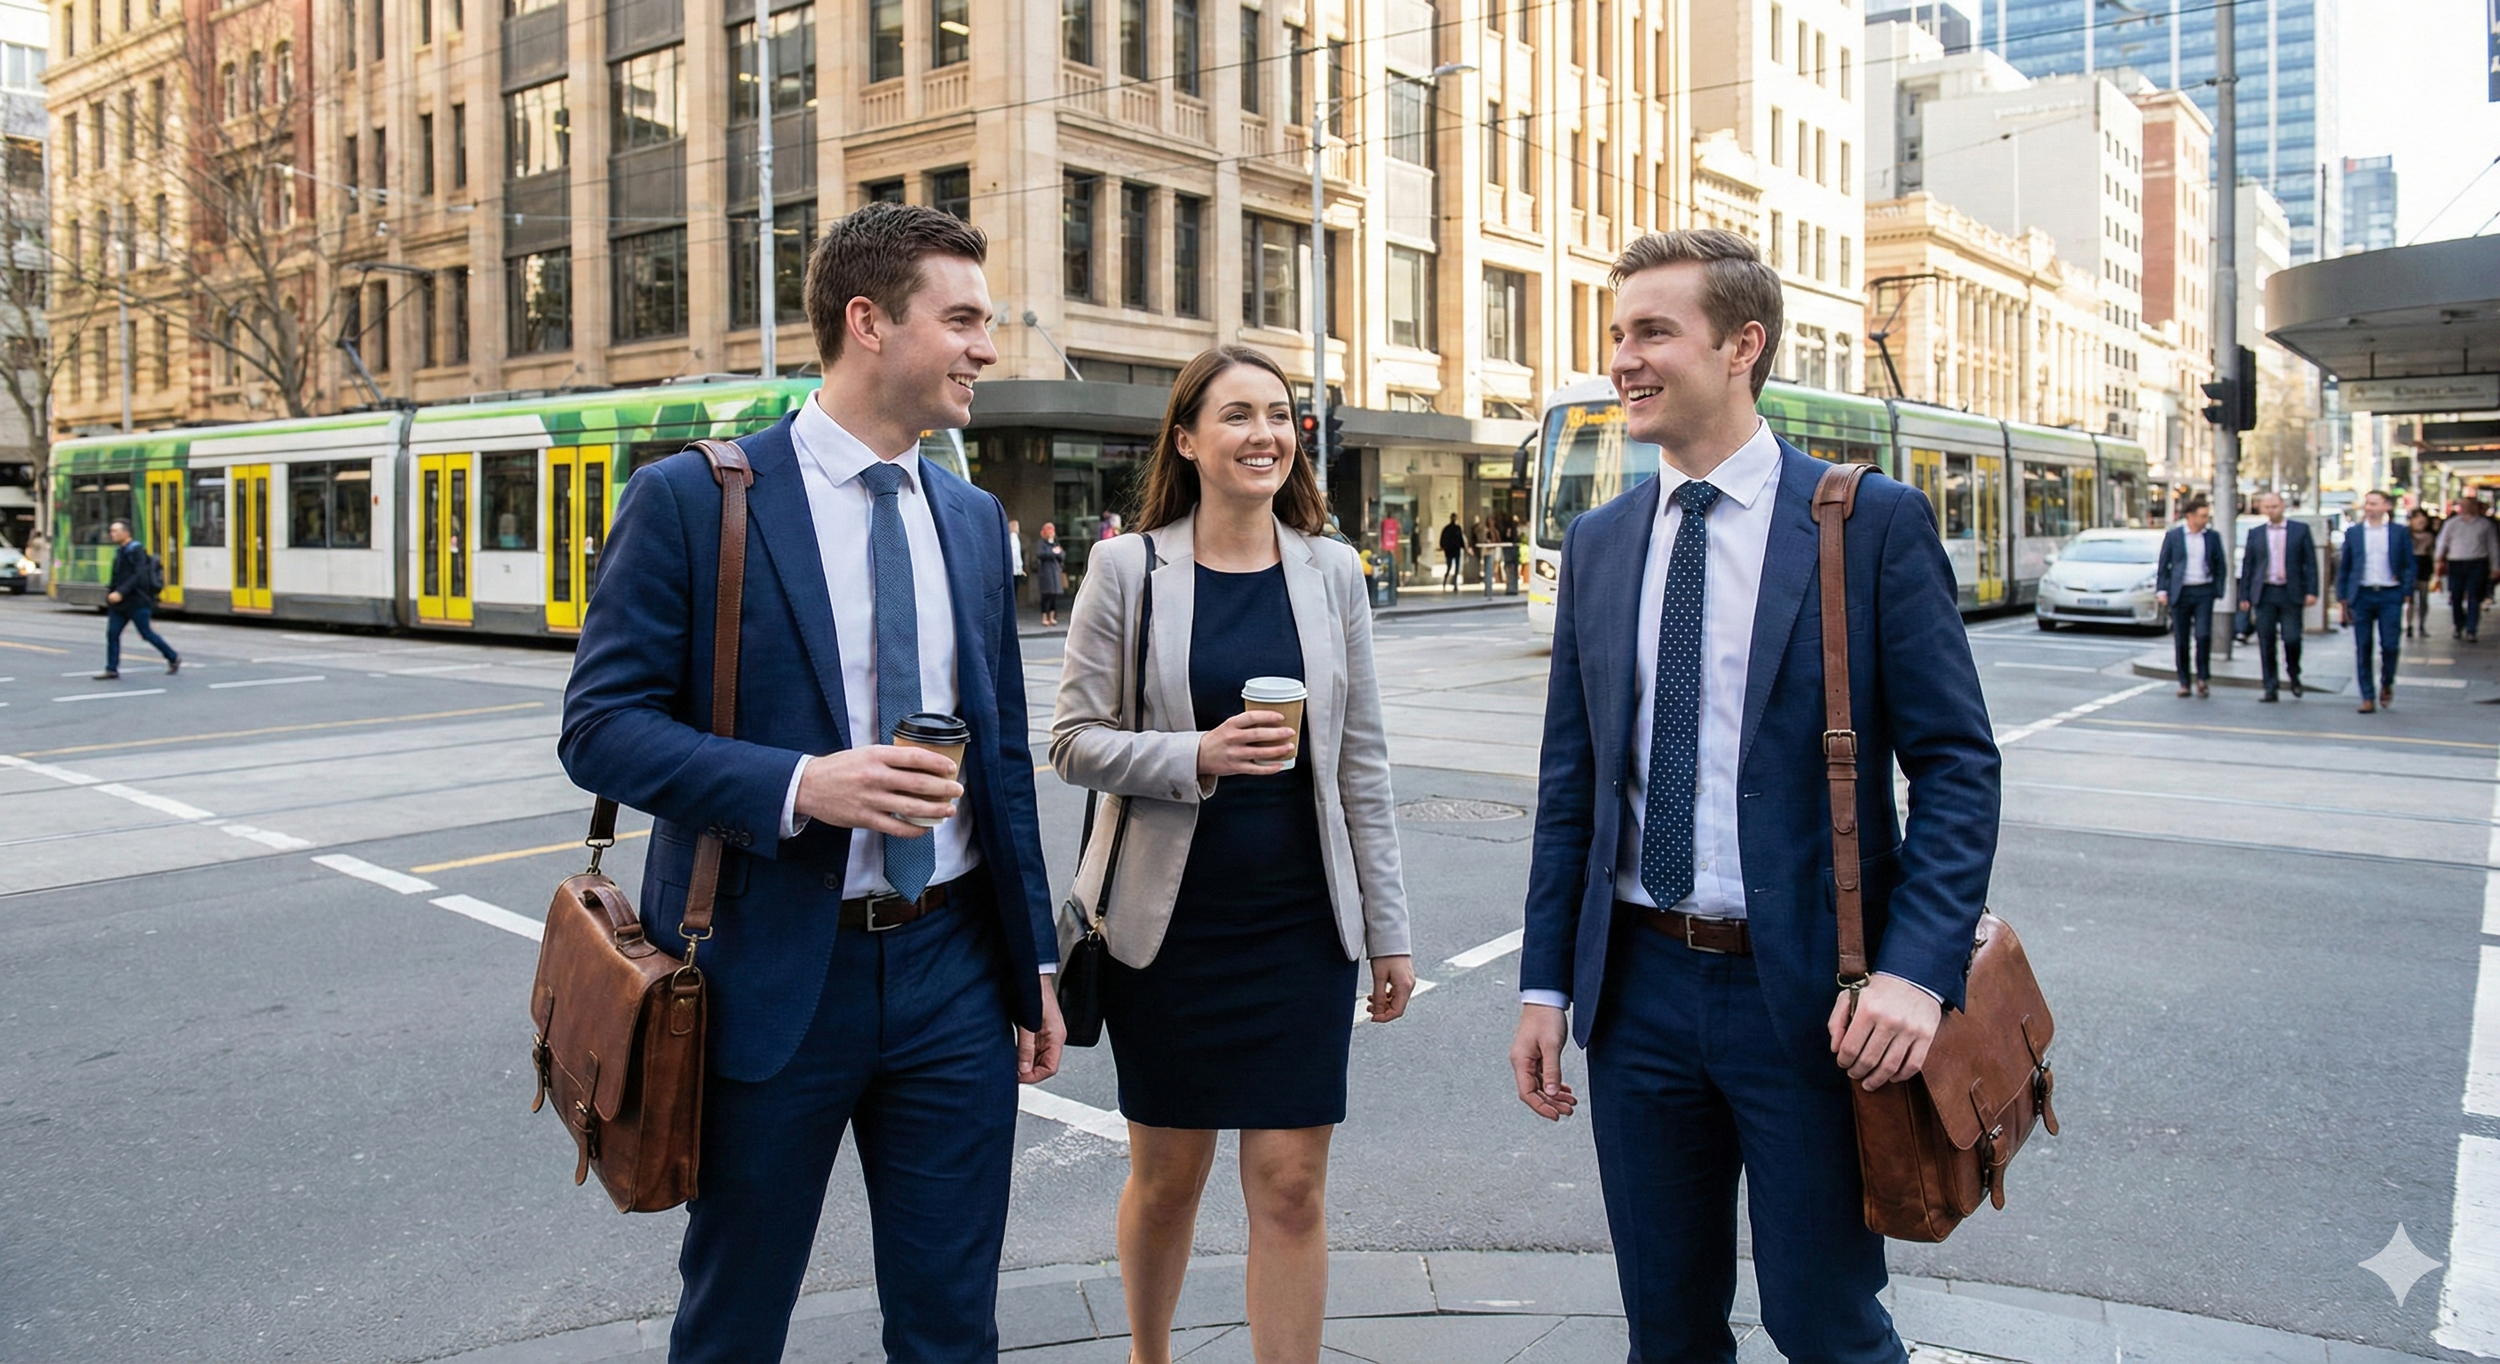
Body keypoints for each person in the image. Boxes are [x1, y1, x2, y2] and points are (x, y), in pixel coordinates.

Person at [557, 203, 1065, 1363]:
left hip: (951, 973)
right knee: (734, 1320)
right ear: (868, 322)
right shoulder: (695, 499)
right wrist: (801, 784)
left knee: (951, 1321)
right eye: (965, 320)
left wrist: (1032, 959)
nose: (987, 347)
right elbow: (600, 729)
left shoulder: (974, 520)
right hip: (766, 978)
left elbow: (1000, 767)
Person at [1508, 230, 1998, 1362]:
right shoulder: (1599, 542)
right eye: (1616, 333)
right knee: (1666, 1327)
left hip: (1816, 1005)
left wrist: (1917, 972)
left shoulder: (1864, 523)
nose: (1622, 358)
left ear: (1741, 345)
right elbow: (1571, 786)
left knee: (1823, 1322)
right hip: (1636, 993)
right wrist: (1546, 983)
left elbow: (1958, 763)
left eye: (1650, 332)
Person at [1052, 345, 1413, 1364]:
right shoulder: (1130, 568)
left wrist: (1387, 931)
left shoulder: (1332, 569)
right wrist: (1196, 753)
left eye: (1281, 413)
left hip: (1302, 924)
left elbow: (1363, 766)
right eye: (1238, 414)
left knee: (1293, 1183)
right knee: (1169, 1175)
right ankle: (1149, 1355)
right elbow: (1071, 740)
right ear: (1187, 438)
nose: (1265, 432)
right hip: (1169, 931)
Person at [2336, 489, 2414, 714]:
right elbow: (2346, 567)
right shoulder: (2354, 533)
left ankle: (2387, 682)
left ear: (2386, 506)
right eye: (2367, 503)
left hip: (2390, 594)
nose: (2369, 508)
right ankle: (2367, 696)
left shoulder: (2399, 532)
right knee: (2363, 646)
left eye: (2374, 503)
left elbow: (2409, 563)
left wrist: (2405, 589)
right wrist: (2343, 597)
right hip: (2362, 594)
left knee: (2390, 645)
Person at [2237, 491, 2317, 702]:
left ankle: (2293, 672)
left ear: (2283, 506)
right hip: (2265, 592)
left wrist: (2312, 590)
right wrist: (2244, 595)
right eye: (2267, 507)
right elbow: (2248, 566)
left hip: (2291, 592)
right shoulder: (2256, 533)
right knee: (2266, 641)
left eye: (2275, 506)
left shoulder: (2299, 531)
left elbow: (2310, 563)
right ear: (2262, 509)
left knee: (2291, 638)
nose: (2271, 511)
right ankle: (2270, 686)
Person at [2155, 496, 2225, 698]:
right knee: (2181, 640)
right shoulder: (2175, 536)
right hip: (2181, 592)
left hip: (2204, 591)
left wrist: (2217, 589)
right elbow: (2164, 565)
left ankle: (2203, 678)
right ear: (2190, 516)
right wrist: (2162, 590)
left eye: (2207, 516)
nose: (2206, 520)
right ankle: (2184, 681)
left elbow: (2220, 565)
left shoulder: (2212, 537)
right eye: (2202, 516)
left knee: (2203, 635)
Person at [94, 519, 179, 681]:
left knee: (146, 633)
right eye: (111, 531)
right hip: (120, 604)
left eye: (115, 531)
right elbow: (117, 576)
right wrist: (111, 594)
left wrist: (120, 592)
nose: (111, 534)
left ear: (126, 533)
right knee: (112, 634)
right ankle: (111, 668)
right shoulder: (122, 551)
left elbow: (138, 576)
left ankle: (173, 657)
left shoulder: (136, 551)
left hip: (137, 601)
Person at [2435, 497, 2496, 642]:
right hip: (2456, 562)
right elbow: (2443, 541)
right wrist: (2438, 559)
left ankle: (2471, 628)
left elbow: (2492, 546)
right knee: (2455, 595)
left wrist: (2495, 566)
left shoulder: (2485, 525)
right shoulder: (2452, 523)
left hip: (2477, 562)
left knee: (2474, 596)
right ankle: (2458, 623)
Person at [2407, 509, 2440, 639]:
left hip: (2424, 565)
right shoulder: (2406, 534)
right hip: (2410, 565)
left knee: (2423, 597)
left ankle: (2421, 625)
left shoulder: (2429, 536)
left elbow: (2432, 552)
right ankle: (2409, 624)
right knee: (2410, 599)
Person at [1034, 521, 1068, 628]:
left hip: (1055, 572)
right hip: (1046, 572)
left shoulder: (1056, 543)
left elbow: (1062, 556)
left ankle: (1052, 617)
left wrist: (1058, 552)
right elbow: (1040, 554)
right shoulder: (1041, 543)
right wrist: (1053, 552)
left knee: (1054, 596)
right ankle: (1044, 616)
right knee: (1046, 595)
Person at [1438, 513, 1465, 588]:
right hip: (1453, 549)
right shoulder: (1456, 529)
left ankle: (1450, 581)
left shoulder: (1448, 529)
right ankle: (1452, 581)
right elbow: (1460, 539)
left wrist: (1443, 546)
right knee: (1452, 566)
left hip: (1451, 549)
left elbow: (1460, 538)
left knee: (1451, 566)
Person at [1007, 516, 1027, 607]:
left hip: (1014, 569)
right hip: (1014, 570)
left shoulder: (1012, 537)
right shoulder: (1014, 537)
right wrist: (1019, 568)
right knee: (1014, 589)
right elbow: (1015, 555)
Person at [1378, 510, 1402, 581]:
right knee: (1392, 565)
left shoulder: (1384, 522)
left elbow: (1381, 532)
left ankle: (1383, 575)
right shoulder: (1395, 523)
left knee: (1385, 562)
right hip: (1393, 546)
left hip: (1385, 546)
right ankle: (1393, 580)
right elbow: (1398, 532)